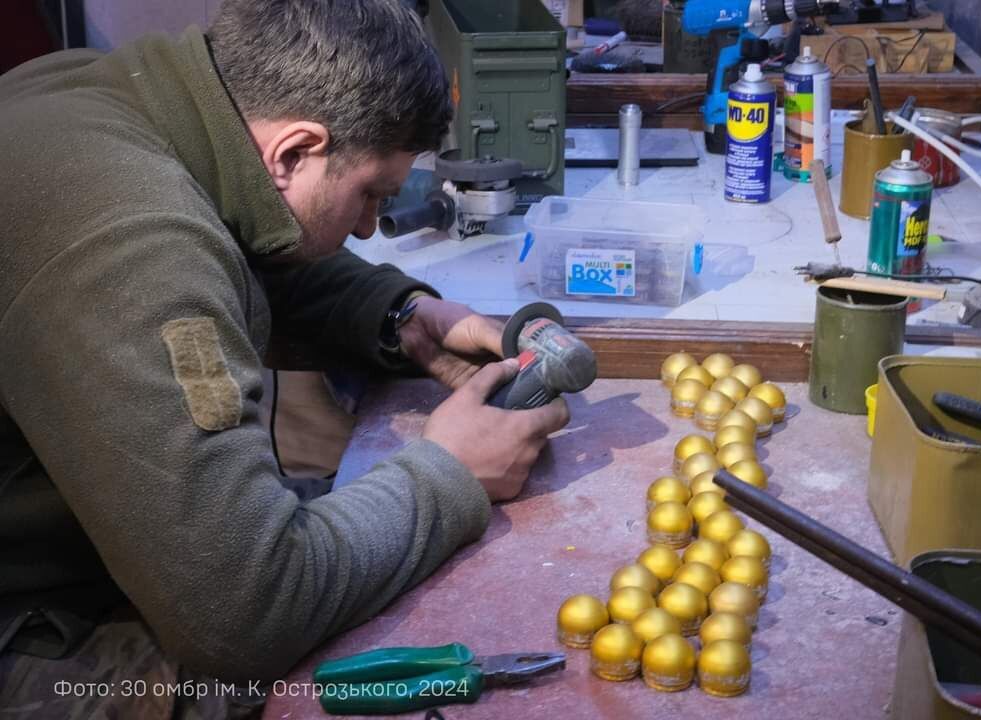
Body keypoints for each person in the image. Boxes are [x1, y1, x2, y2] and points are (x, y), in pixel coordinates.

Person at [0, 0, 570, 717]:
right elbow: (242, 614)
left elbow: (242, 228)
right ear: (293, 151)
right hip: (28, 617)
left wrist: (403, 315)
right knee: (310, 689)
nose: (370, 225)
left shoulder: (122, 96)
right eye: (371, 195)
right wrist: (450, 473)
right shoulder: (130, 244)